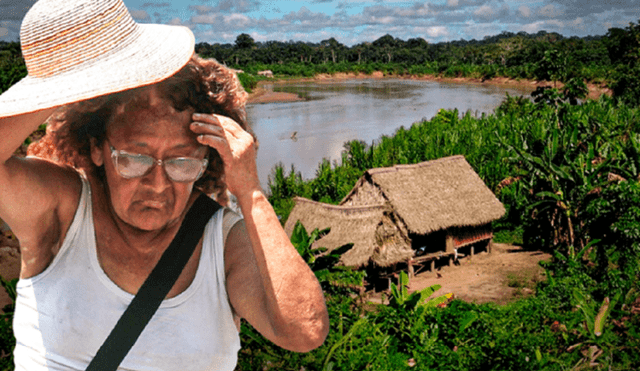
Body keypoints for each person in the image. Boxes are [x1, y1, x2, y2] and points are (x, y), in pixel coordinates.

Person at [0, 0, 329, 370]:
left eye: (181, 162)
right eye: (134, 159)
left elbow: (304, 331)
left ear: (208, 159)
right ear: (96, 148)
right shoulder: (62, 210)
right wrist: (72, 79)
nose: (158, 184)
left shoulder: (222, 241)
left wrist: (249, 190)